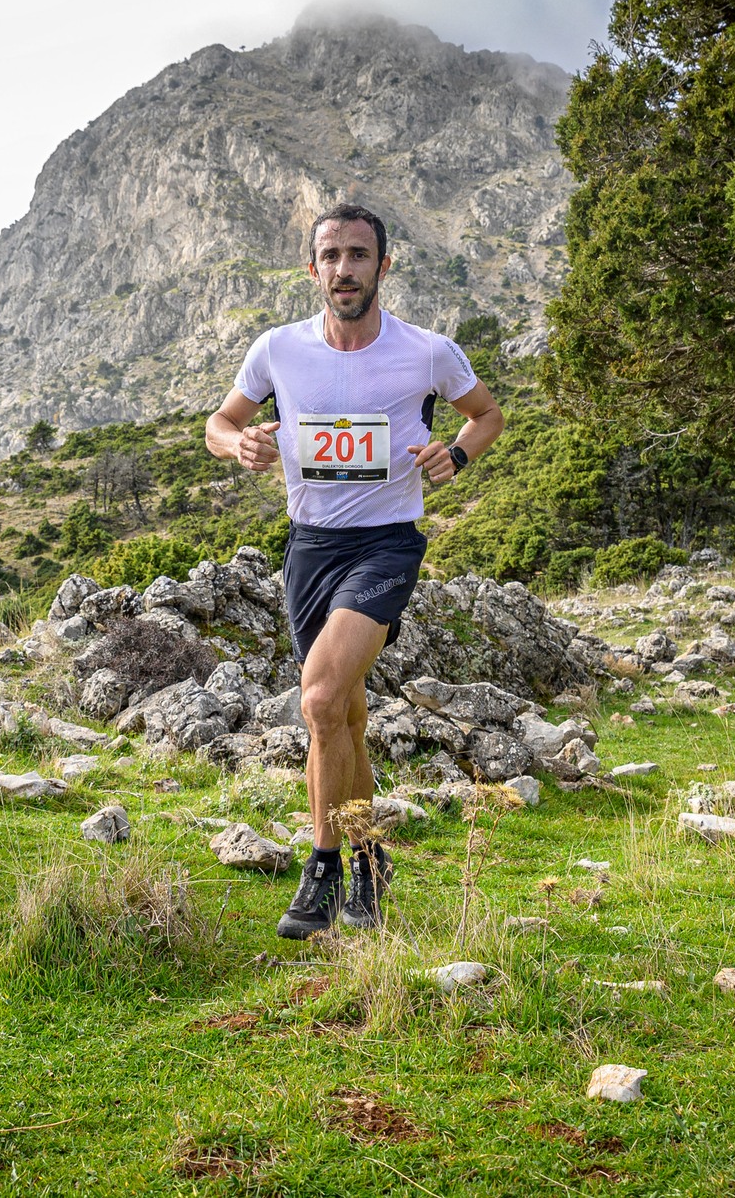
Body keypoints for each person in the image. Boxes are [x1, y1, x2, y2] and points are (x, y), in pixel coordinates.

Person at [205, 203, 504, 938]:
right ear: (313, 269)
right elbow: (219, 423)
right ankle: (372, 860)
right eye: (331, 255)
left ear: (383, 266)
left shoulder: (427, 351)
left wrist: (456, 453)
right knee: (343, 715)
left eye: (359, 255)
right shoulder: (277, 350)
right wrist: (237, 444)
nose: (345, 268)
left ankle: (323, 869)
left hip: (385, 544)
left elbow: (486, 414)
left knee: (318, 698)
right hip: (310, 546)